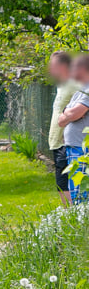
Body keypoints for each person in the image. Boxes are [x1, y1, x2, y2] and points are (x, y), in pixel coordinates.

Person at [47, 52, 80, 207]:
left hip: (66, 141)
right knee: (61, 180)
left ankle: (73, 215)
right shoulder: (62, 85)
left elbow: (80, 110)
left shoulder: (76, 84)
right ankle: (68, 215)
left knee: (66, 181)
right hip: (56, 142)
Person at [57, 54, 89, 205]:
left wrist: (68, 113)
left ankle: (82, 220)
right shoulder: (79, 92)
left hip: (82, 148)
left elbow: (75, 113)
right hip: (73, 146)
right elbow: (61, 120)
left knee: (82, 187)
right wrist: (69, 114)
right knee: (75, 187)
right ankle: (79, 219)